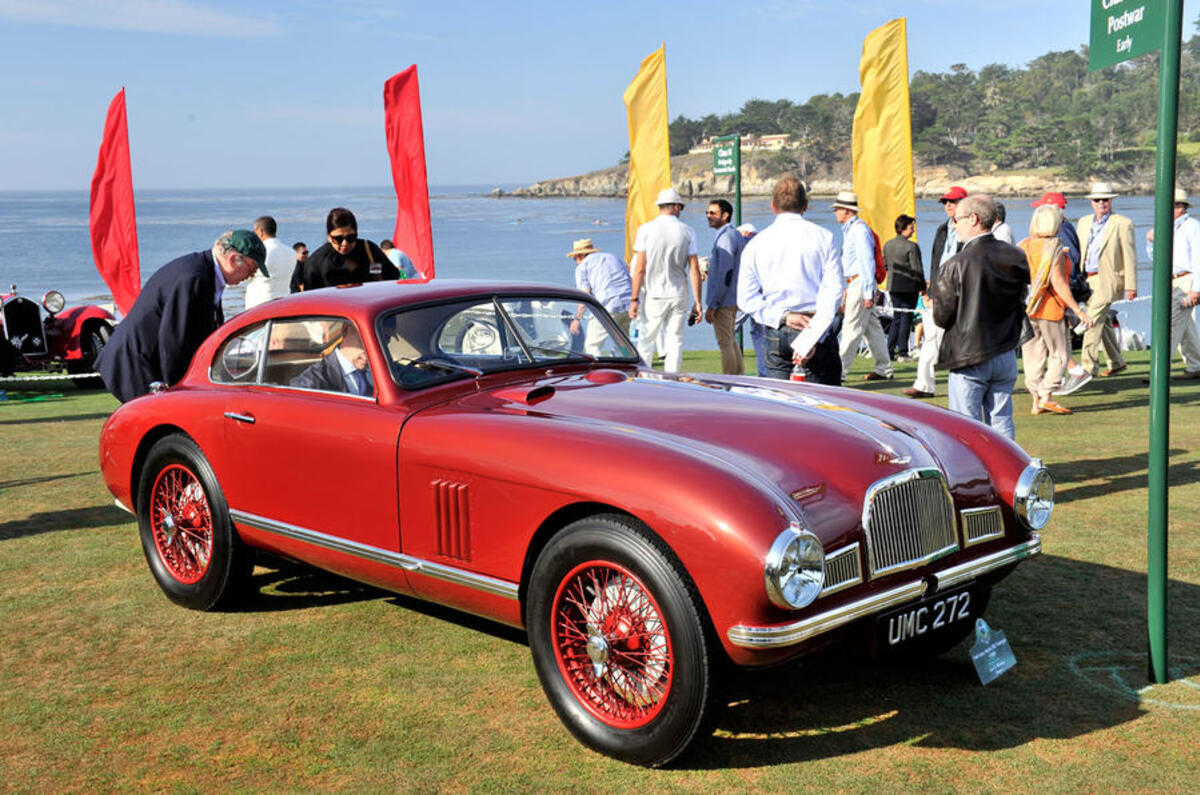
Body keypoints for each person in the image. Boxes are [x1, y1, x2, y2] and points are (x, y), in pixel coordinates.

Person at [96, 229, 264, 402]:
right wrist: (179, 391)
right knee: (158, 423)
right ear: (233, 260)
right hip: (135, 365)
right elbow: (174, 340)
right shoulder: (193, 278)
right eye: (252, 269)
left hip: (145, 361)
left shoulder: (204, 272)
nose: (251, 276)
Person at [931, 194, 1029, 440]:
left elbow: (942, 317)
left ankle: (976, 476)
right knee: (1002, 419)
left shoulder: (955, 264)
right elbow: (1021, 298)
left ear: (973, 219)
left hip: (969, 354)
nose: (954, 225)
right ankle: (1010, 472)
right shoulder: (1015, 256)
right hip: (1005, 349)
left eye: (958, 219)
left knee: (966, 426)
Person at [737, 175, 843, 385]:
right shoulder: (824, 237)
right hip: (815, 324)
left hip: (777, 328)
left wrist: (783, 316)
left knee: (783, 406)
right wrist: (813, 335)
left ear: (773, 207)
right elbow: (833, 291)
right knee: (826, 406)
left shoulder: (756, 244)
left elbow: (746, 298)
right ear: (805, 206)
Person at [1019, 204, 1094, 415]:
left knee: (1033, 356)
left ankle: (1037, 399)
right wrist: (1077, 310)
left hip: (1030, 306)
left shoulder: (1024, 245)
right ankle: (1045, 394)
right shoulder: (1055, 249)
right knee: (1060, 355)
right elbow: (1059, 283)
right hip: (1050, 308)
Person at [903, 186, 968, 399]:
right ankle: (923, 384)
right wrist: (929, 291)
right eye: (945, 202)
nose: (948, 205)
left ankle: (962, 384)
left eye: (953, 201)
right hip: (940, 290)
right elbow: (935, 261)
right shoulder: (942, 229)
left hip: (961, 291)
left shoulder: (970, 229)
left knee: (962, 340)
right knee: (931, 336)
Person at [628, 187, 702, 373]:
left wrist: (634, 299)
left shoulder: (646, 230)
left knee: (646, 340)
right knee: (675, 340)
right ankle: (672, 380)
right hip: (679, 293)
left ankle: (643, 379)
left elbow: (640, 269)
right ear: (676, 206)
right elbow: (694, 269)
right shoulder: (687, 231)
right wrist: (698, 302)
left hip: (654, 294)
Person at [1076, 182, 1137, 377]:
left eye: (1105, 199)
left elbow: (1130, 256)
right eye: (1097, 199)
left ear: (1111, 201)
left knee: (1091, 323)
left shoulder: (1123, 223)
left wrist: (1131, 286)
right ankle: (1117, 362)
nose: (1101, 203)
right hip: (1086, 280)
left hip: (1107, 280)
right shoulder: (1084, 222)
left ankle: (1087, 368)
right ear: (1091, 202)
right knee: (1102, 322)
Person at [832, 192, 892, 381]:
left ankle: (839, 371)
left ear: (847, 211)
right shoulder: (855, 229)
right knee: (872, 328)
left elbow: (866, 262)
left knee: (852, 327)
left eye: (837, 209)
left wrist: (867, 292)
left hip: (859, 283)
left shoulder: (858, 230)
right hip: (858, 283)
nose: (835, 213)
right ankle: (884, 368)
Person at [1145, 187, 1200, 378]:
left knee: (1172, 324)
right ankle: (1196, 365)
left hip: (1186, 279)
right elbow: (1156, 257)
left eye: (1175, 205)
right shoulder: (1164, 226)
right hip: (1172, 280)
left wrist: (1196, 290)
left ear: (1182, 207)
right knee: (1185, 327)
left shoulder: (1192, 226)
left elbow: (1198, 258)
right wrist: (1151, 241)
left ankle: (1160, 372)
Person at [290, 207, 399, 292]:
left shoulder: (369, 249)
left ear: (356, 233)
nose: (345, 243)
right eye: (338, 239)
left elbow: (392, 276)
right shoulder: (315, 263)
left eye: (350, 237)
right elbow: (310, 300)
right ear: (329, 236)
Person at [565, 238, 632, 355]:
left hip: (607, 305)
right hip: (629, 303)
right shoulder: (612, 257)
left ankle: (598, 370)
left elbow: (584, 296)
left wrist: (577, 319)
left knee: (592, 344)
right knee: (622, 341)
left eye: (575, 258)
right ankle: (627, 365)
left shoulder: (582, 267)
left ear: (580, 255)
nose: (575, 261)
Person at [704, 199, 746, 374]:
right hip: (733, 297)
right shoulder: (734, 234)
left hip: (724, 300)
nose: (708, 216)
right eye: (707, 213)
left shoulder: (726, 237)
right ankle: (739, 379)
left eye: (713, 213)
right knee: (730, 340)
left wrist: (713, 304)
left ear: (725, 215)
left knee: (725, 342)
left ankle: (731, 380)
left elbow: (725, 273)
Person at [290, 321, 374, 395]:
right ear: (345, 330)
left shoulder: (378, 370)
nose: (370, 352)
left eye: (384, 338)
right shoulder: (312, 382)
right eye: (364, 340)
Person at [883, 214, 924, 361]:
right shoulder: (911, 246)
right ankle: (903, 352)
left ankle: (889, 350)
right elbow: (917, 269)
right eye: (911, 227)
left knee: (896, 319)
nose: (913, 230)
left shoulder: (887, 245)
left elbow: (886, 265)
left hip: (893, 285)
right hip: (909, 287)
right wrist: (922, 286)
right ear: (904, 228)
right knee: (906, 317)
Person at [243, 215, 296, 309]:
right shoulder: (291, 252)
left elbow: (244, 276)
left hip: (259, 305)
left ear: (260, 232)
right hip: (284, 302)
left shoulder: (258, 252)